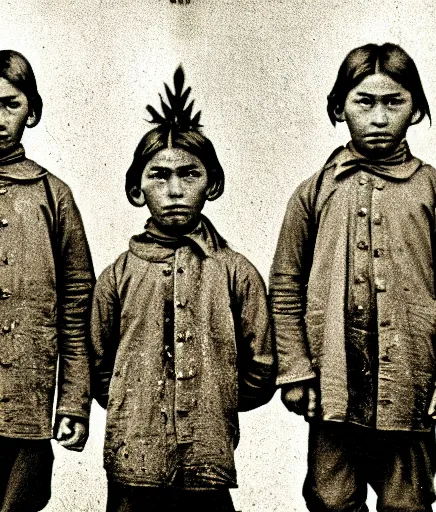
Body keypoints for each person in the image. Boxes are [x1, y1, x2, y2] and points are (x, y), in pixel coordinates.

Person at [269, 43, 436, 512]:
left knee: (407, 502)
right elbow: (284, 287)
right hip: (332, 384)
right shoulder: (313, 193)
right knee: (331, 498)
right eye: (365, 102)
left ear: (416, 108)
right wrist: (296, 370)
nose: (379, 117)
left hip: (412, 385)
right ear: (339, 107)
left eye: (394, 102)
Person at [90, 66, 275, 512]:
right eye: (159, 176)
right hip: (133, 459)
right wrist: (133, 404)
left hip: (207, 459)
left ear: (212, 183)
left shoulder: (236, 272)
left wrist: (217, 400)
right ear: (137, 189)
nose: (174, 189)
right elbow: (99, 365)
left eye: (189, 175)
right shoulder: (118, 275)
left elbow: (261, 367)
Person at [0, 50, 94, 511]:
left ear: (31, 112)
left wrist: (74, 402)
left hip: (26, 407)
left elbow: (78, 307)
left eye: (9, 104)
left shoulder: (53, 196)